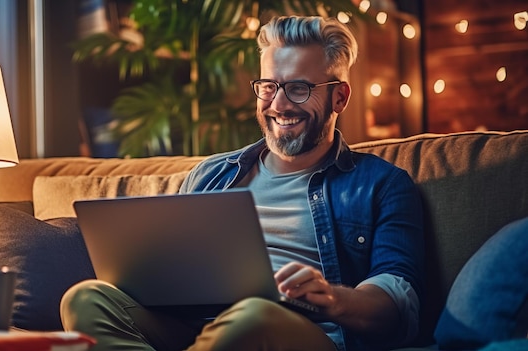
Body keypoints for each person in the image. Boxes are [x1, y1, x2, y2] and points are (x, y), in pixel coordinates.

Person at [60, 15, 424, 351]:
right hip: (198, 332)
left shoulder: (381, 184)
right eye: (269, 86)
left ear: (339, 97)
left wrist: (331, 297)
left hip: (299, 333)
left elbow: (396, 307)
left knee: (252, 317)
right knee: (86, 298)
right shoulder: (210, 175)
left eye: (298, 88)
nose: (279, 104)